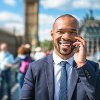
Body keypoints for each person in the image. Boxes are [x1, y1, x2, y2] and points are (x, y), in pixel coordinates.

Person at [20, 14, 100, 100]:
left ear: (78, 36)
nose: (66, 37)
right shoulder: (35, 68)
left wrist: (82, 65)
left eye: (72, 32)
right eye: (60, 31)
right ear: (52, 35)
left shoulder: (92, 68)